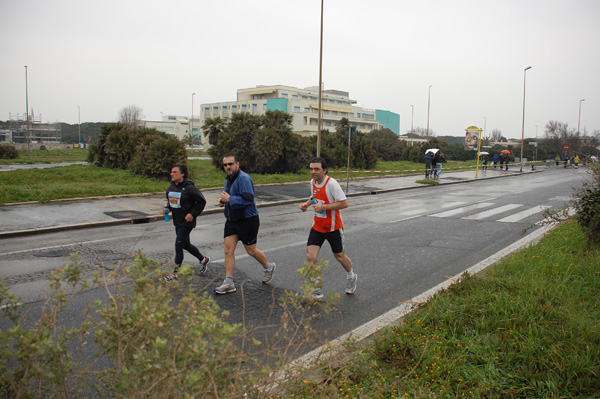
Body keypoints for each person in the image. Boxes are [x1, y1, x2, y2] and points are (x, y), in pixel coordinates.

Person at [215, 153, 276, 294]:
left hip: (248, 220)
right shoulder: (228, 178)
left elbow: (248, 200)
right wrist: (223, 202)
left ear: (237, 164)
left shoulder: (244, 179)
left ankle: (268, 267)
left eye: (230, 164)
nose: (228, 167)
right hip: (232, 220)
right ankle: (229, 282)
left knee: (251, 251)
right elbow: (229, 197)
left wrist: (230, 199)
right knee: (228, 250)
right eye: (225, 165)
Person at [299, 157, 357, 299]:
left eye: (316, 169)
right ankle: (316, 287)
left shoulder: (332, 184)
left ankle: (351, 276)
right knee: (310, 256)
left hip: (333, 228)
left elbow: (344, 203)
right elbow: (314, 195)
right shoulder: (313, 182)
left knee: (339, 256)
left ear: (324, 170)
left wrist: (323, 207)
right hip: (318, 226)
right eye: (311, 168)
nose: (313, 172)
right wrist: (307, 204)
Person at [163, 164, 210, 282]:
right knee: (185, 244)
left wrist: (192, 214)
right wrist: (167, 208)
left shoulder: (190, 188)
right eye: (171, 172)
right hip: (177, 221)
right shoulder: (171, 187)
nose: (172, 174)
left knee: (178, 245)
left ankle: (175, 274)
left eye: (175, 172)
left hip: (187, 222)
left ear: (182, 174)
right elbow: (171, 201)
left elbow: (201, 202)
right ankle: (203, 259)